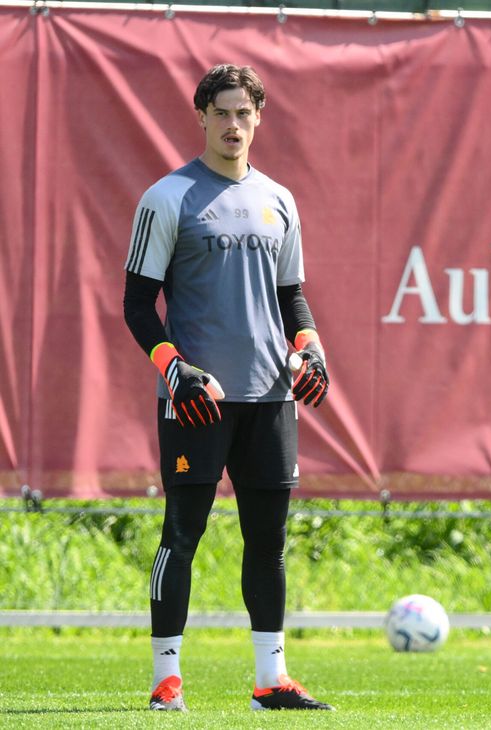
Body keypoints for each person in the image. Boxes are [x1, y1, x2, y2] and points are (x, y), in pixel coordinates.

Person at [122, 64, 332, 712]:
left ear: (258, 118)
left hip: (270, 398)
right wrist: (173, 366)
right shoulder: (167, 197)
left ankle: (271, 681)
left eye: (245, 113)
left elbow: (291, 297)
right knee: (180, 535)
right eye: (223, 113)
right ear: (202, 117)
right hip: (197, 401)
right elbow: (136, 303)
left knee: (267, 542)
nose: (234, 125)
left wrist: (311, 350)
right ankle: (166, 682)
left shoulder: (280, 200)